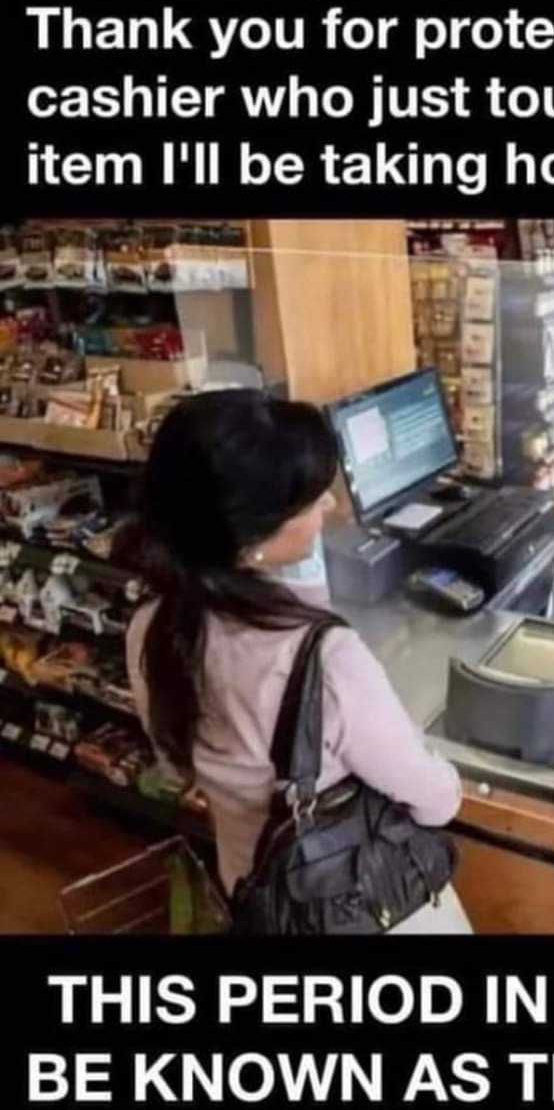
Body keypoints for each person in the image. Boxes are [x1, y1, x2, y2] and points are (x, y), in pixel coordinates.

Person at [123, 389, 471, 934]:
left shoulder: (151, 627)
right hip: (362, 903)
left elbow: (176, 765)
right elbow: (435, 798)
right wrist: (448, 775)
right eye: (311, 500)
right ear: (253, 533)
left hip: (253, 888)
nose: (330, 505)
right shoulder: (325, 659)